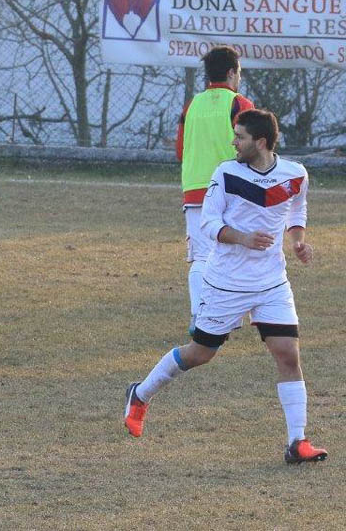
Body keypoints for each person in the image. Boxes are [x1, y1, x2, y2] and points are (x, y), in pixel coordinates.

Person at [124, 109, 327, 465]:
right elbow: (208, 222)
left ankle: (297, 442)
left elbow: (297, 211)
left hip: (271, 282)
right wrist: (243, 238)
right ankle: (140, 394)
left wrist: (297, 241)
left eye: (240, 137)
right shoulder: (226, 173)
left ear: (260, 142)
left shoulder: (295, 174)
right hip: (226, 283)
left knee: (288, 354)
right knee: (200, 353)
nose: (233, 142)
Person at [176, 46, 253, 331]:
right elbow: (252, 147)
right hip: (232, 189)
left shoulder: (191, 105)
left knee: (201, 256)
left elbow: (180, 150)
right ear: (232, 72)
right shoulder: (239, 104)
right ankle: (228, 314)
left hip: (195, 189)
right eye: (239, 72)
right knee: (235, 252)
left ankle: (200, 315)